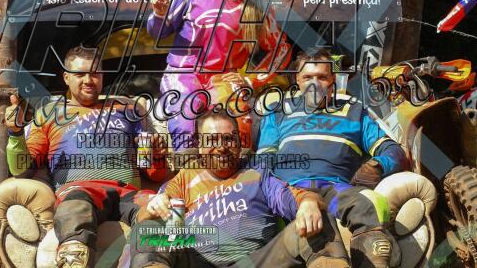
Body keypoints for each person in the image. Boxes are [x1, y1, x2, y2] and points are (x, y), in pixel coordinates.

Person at [4, 46, 168, 268]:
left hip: (128, 193)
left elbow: (153, 174)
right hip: (80, 191)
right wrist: (15, 133)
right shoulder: (50, 114)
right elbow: (22, 169)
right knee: (74, 210)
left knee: (159, 211)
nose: (89, 80)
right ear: (66, 78)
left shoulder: (128, 109)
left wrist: (156, 155)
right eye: (80, 74)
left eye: (95, 73)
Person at [131, 109, 350, 268]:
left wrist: (309, 201)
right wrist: (152, 208)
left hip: (259, 261)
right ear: (200, 145)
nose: (221, 148)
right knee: (148, 230)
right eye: (212, 140)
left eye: (228, 139)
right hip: (198, 262)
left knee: (316, 215)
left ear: (239, 142)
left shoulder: (256, 173)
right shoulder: (183, 179)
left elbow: (296, 198)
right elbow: (142, 218)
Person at [257, 47, 409, 268]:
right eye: (307, 77)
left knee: (366, 204)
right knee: (318, 215)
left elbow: (394, 151)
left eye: (322, 77)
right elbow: (263, 163)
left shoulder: (355, 111)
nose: (314, 84)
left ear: (333, 80)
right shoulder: (278, 111)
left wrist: (379, 165)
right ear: (297, 80)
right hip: (292, 191)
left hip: (337, 189)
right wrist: (279, 193)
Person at [147, 0, 292, 160]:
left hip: (224, 78)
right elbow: (158, 32)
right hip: (183, 72)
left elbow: (281, 49)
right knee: (186, 112)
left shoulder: (258, 2)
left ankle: (239, 177)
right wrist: (159, 14)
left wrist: (250, 80)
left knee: (238, 125)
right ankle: (188, 173)